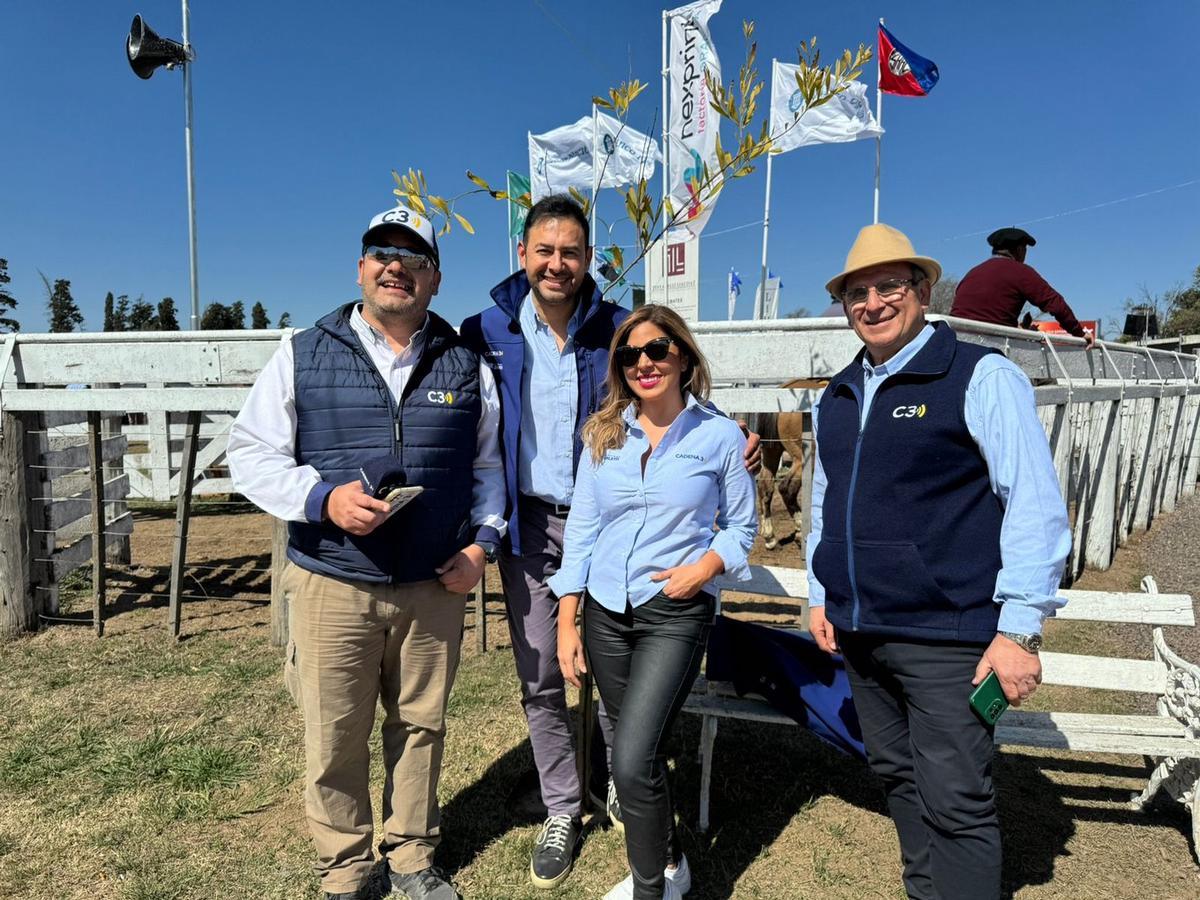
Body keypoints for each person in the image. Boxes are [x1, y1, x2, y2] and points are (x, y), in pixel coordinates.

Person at [459, 195, 760, 890]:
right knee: (541, 674)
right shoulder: (487, 330)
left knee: (611, 680)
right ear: (524, 255)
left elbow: (665, 377)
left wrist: (726, 428)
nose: (556, 263)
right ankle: (564, 804)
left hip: (619, 521)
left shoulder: (618, 327)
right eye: (544, 250)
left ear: (588, 259)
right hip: (534, 523)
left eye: (570, 252)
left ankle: (628, 781)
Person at [228, 203, 506, 900]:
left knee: (420, 728)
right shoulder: (303, 351)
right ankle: (347, 868)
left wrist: (482, 546)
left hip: (432, 583)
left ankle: (412, 858)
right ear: (360, 268)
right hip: (334, 581)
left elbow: (488, 470)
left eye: (413, 259)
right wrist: (323, 499)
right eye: (382, 253)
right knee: (334, 733)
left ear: (435, 280)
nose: (396, 268)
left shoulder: (467, 364)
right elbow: (250, 453)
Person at [807, 223, 1072, 900]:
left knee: (957, 803)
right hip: (863, 634)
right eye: (857, 291)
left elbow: (1034, 504)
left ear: (922, 290)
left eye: (888, 285)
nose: (872, 302)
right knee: (898, 776)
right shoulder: (837, 396)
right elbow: (825, 502)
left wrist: (1018, 630)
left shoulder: (979, 374)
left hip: (948, 637)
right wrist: (820, 591)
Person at [548, 304, 758, 900]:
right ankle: (670, 861)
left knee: (633, 757)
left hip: (674, 609)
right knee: (636, 754)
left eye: (658, 350)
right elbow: (582, 532)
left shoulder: (718, 435)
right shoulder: (603, 433)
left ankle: (650, 890)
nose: (644, 362)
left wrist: (702, 570)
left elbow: (742, 530)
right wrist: (569, 619)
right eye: (630, 354)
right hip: (606, 616)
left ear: (684, 357)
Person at [951, 227, 1096, 347]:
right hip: (991, 346)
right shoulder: (1021, 272)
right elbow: (1055, 303)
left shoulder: (973, 272)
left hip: (953, 342)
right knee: (1043, 375)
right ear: (1020, 250)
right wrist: (1080, 333)